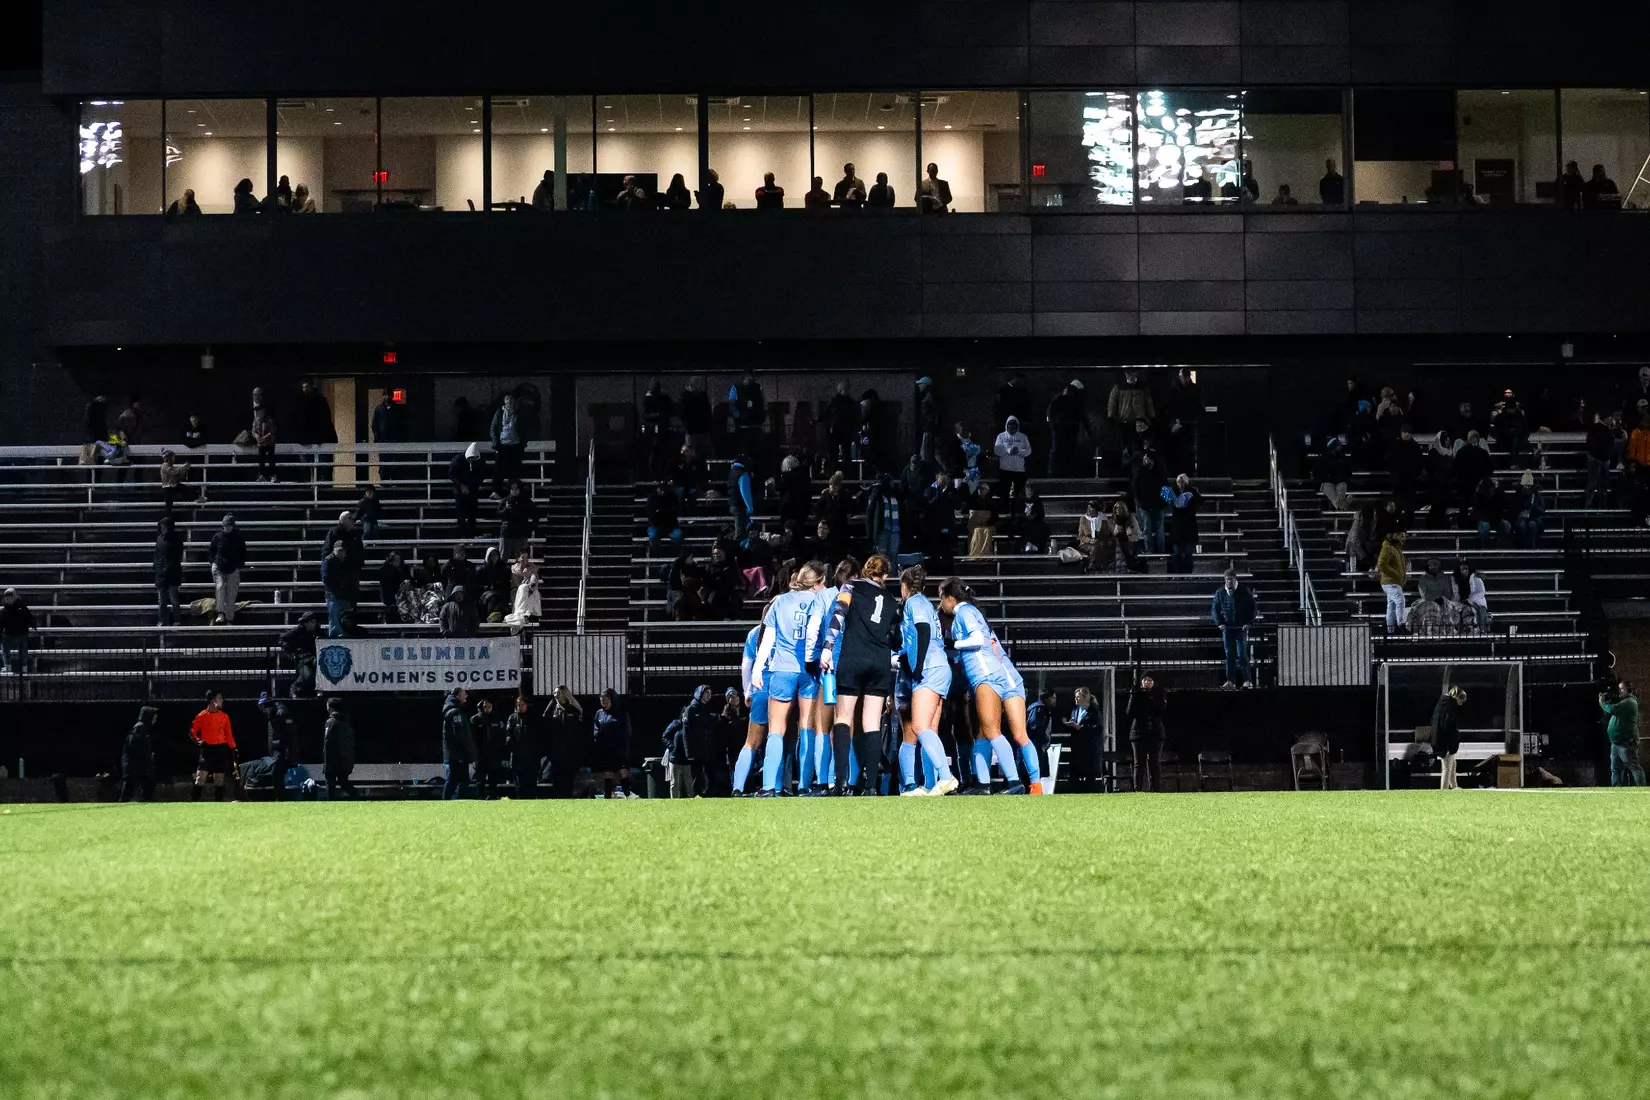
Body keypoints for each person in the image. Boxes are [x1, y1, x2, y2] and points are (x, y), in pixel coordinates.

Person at [940, 578, 1040, 795]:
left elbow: (976, 640)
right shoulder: (973, 613)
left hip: (987, 675)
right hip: (999, 676)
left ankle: (1014, 782)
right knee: (985, 732)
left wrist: (951, 644)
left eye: (942, 598)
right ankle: (985, 784)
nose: (941, 604)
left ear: (950, 597)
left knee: (993, 731)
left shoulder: (964, 613)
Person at [748, 563, 827, 795]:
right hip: (807, 670)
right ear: (816, 582)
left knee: (776, 728)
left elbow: (767, 640)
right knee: (806, 727)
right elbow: (814, 632)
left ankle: (769, 786)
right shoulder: (817, 602)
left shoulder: (779, 602)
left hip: (781, 669)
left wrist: (757, 670)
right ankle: (804, 785)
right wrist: (812, 660)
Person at [666, 685, 717, 797]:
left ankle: (704, 795)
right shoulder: (691, 710)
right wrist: (688, 751)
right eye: (706, 693)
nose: (709, 695)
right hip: (695, 751)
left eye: (710, 693)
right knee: (695, 776)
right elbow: (686, 733)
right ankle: (696, 795)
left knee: (708, 776)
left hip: (706, 750)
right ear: (700, 693)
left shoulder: (707, 709)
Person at [1210, 568, 1257, 688]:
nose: (1229, 582)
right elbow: (1214, 610)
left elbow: (1253, 608)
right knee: (1229, 655)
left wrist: (1249, 623)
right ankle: (1230, 681)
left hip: (1241, 627)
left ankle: (1247, 680)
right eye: (1227, 579)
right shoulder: (1220, 592)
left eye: (1230, 579)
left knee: (1242, 654)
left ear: (1235, 579)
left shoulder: (1244, 591)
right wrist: (1219, 623)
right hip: (1228, 628)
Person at [189, 690, 237, 801]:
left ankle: (219, 804)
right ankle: (193, 804)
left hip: (221, 749)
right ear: (213, 701)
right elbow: (192, 731)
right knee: (200, 777)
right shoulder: (202, 716)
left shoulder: (224, 717)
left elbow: (229, 735)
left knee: (219, 778)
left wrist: (234, 748)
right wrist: (198, 741)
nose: (222, 701)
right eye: (219, 699)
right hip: (207, 749)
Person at [1126, 673, 1166, 791]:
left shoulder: (1159, 693)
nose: (1147, 682)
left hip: (1155, 733)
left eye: (1150, 680)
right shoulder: (1137, 694)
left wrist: (1150, 697)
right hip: (1138, 733)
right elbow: (1130, 712)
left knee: (1155, 763)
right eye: (1145, 680)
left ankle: (1156, 788)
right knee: (1139, 763)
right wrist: (1134, 695)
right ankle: (1138, 789)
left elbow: (1160, 709)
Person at [1600, 681, 1644, 786]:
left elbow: (1611, 709)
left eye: (1622, 689)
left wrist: (1601, 702)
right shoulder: (1624, 702)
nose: (1619, 691)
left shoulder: (1629, 702)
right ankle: (1617, 792)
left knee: (1633, 767)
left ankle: (1643, 790)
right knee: (1615, 769)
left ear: (1629, 690)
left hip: (1626, 742)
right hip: (1616, 743)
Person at [590, 689, 633, 798]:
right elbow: (596, 728)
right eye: (601, 700)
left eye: (606, 700)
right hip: (605, 747)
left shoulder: (621, 713)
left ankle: (628, 792)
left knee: (622, 771)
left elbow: (627, 732)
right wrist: (597, 741)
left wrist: (625, 749)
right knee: (607, 772)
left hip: (619, 747)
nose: (604, 702)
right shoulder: (599, 713)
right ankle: (608, 795)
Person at [1061, 687, 1104, 793]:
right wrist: (1067, 724)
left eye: (1078, 697)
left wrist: (1082, 727)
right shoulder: (1075, 711)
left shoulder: (1094, 711)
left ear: (1085, 698)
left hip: (1089, 748)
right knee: (1075, 773)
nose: (1075, 699)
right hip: (1077, 747)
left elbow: (1098, 728)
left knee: (1089, 775)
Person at [1045, 379, 1091, 477]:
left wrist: (1052, 425)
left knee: (1058, 451)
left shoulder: (1061, 396)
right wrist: (1089, 432)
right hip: (1068, 428)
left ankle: (1054, 473)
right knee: (1065, 451)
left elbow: (1050, 411)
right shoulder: (1076, 399)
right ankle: (1063, 473)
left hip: (1062, 428)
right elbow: (1083, 416)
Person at [257, 690, 296, 801]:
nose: (263, 710)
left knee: (276, 774)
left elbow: (291, 734)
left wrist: (289, 751)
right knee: (277, 776)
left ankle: (281, 799)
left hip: (283, 751)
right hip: (277, 752)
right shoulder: (272, 716)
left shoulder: (281, 714)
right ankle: (281, 798)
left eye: (264, 707)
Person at [208, 514, 246, 625]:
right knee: (219, 588)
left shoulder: (238, 537)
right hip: (219, 567)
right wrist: (212, 563)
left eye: (229, 526)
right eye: (225, 526)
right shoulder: (217, 537)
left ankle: (229, 617)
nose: (227, 528)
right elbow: (211, 550)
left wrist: (239, 564)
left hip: (233, 568)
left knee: (231, 594)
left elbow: (243, 552)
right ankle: (220, 613)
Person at [489, 393, 526, 497]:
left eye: (511, 400)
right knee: (498, 470)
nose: (509, 402)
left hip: (516, 445)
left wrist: (524, 442)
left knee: (514, 471)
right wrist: (496, 442)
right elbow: (493, 428)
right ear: (504, 401)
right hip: (502, 445)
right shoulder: (499, 413)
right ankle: (496, 491)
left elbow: (525, 427)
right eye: (507, 399)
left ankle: (512, 493)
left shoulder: (519, 413)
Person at [441, 687, 476, 799]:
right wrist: (467, 752)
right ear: (457, 696)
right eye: (464, 694)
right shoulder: (455, 712)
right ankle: (447, 801)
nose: (466, 696)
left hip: (457, 754)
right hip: (457, 754)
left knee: (461, 780)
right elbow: (460, 735)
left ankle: (459, 801)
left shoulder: (455, 710)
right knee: (455, 780)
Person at [503, 694, 540, 797]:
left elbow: (538, 737)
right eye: (518, 705)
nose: (521, 707)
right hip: (517, 757)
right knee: (519, 785)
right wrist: (514, 748)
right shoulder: (512, 718)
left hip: (531, 758)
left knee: (531, 785)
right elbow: (508, 735)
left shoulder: (533, 718)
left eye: (523, 705)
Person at [322, 539, 362, 638]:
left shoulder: (348, 562)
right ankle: (334, 637)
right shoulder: (328, 561)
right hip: (333, 595)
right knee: (334, 618)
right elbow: (326, 579)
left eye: (342, 550)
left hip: (346, 595)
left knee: (346, 618)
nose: (341, 552)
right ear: (334, 550)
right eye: (339, 550)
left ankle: (346, 635)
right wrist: (337, 591)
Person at [120, 706, 158, 802]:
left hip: (138, 763)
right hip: (134, 763)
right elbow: (134, 745)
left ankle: (143, 801)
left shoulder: (143, 728)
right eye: (154, 716)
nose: (155, 719)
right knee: (130, 785)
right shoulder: (139, 728)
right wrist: (146, 755)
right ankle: (124, 802)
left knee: (146, 782)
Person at [1165, 474, 1201, 574]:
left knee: (1189, 553)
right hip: (1177, 527)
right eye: (1178, 482)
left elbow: (1199, 502)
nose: (1180, 484)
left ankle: (1188, 574)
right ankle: (1178, 574)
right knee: (1177, 553)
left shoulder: (1192, 492)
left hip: (1189, 527)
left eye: (1182, 482)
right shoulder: (1174, 492)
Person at [1431, 684, 1465, 790]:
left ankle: (1454, 787)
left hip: (1438, 739)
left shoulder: (1442, 704)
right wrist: (1452, 743)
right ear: (1457, 698)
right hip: (1445, 741)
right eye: (1461, 701)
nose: (1461, 704)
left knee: (1452, 764)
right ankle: (1444, 790)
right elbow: (1449, 726)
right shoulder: (1450, 707)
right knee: (1447, 767)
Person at [153, 517, 185, 627]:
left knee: (174, 599)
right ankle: (162, 620)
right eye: (161, 527)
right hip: (161, 575)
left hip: (173, 574)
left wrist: (166, 568)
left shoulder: (177, 540)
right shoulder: (159, 539)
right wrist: (157, 568)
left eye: (164, 527)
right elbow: (156, 555)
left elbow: (177, 557)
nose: (162, 529)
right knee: (161, 600)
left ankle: (177, 620)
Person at [449, 442, 485, 537]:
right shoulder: (457, 460)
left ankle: (471, 534)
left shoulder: (480, 462)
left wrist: (475, 484)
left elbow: (482, 474)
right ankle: (462, 535)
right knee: (461, 514)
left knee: (472, 514)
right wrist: (461, 485)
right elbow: (452, 475)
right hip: (459, 491)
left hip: (473, 490)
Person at [281, 612, 321, 697]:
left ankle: (320, 689)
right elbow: (283, 639)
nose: (310, 624)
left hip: (315, 657)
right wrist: (291, 651)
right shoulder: (297, 631)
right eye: (307, 622)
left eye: (312, 622)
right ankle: (294, 688)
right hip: (302, 658)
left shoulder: (319, 631)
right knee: (307, 676)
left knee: (321, 667)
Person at [993, 416, 1031, 503]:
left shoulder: (1023, 437)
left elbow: (1029, 451)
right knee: (1004, 495)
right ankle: (1005, 512)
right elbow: (997, 450)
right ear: (1007, 425)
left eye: (1014, 425)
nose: (1012, 427)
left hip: (1019, 471)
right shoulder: (1001, 436)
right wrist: (1008, 450)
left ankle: (1019, 513)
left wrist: (1019, 451)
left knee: (1020, 496)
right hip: (1005, 471)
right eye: (1010, 425)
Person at [1377, 530, 1409, 635]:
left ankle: (1390, 630)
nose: (1403, 538)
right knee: (1400, 600)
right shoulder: (1388, 547)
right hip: (1390, 582)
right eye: (1401, 535)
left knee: (1391, 606)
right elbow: (1381, 564)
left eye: (1404, 536)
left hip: (1394, 582)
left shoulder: (1397, 549)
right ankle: (1401, 623)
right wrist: (1396, 574)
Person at [498, 479, 537, 559]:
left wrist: (528, 529)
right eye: (512, 489)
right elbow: (498, 515)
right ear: (509, 489)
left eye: (517, 488)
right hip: (507, 534)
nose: (514, 491)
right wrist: (505, 509)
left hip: (521, 534)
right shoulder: (505, 501)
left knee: (521, 559)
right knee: (503, 557)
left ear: (520, 489)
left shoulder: (527, 502)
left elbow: (535, 517)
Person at [1585, 411, 1617, 510]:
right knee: (1593, 484)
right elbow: (1591, 445)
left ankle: (1602, 506)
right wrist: (1598, 457)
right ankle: (1588, 506)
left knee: (1603, 485)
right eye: (1610, 417)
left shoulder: (1610, 430)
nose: (1612, 419)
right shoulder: (1595, 428)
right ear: (1605, 418)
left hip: (1605, 461)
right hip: (1596, 461)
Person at [0, 588, 32, 675]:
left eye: (11, 596)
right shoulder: (3, 611)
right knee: (4, 645)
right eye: (7, 597)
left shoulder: (22, 608)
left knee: (23, 648)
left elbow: (29, 618)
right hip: (9, 635)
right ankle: (8, 665)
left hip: (21, 634)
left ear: (15, 597)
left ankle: (24, 667)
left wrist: (33, 624)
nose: (9, 598)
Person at [297, 379, 337, 447]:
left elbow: (325, 418)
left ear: (312, 386)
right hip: (314, 438)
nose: (305, 389)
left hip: (317, 437)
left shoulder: (318, 400)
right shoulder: (303, 401)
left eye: (306, 386)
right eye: (303, 387)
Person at [506, 555, 541, 627]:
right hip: (516, 591)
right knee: (523, 587)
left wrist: (531, 584)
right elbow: (516, 583)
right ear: (518, 558)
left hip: (529, 590)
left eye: (526, 557)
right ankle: (523, 614)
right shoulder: (514, 568)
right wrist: (525, 581)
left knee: (535, 592)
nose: (525, 559)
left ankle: (527, 615)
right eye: (522, 557)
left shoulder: (532, 567)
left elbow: (534, 579)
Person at [250, 392, 278, 481]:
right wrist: (257, 436)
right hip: (260, 444)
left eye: (260, 412)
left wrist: (264, 438)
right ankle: (261, 475)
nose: (258, 414)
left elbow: (273, 431)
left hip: (269, 443)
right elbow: (253, 430)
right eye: (257, 412)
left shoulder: (269, 420)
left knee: (271, 460)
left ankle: (273, 475)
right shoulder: (256, 421)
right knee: (261, 460)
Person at [914, 376, 939, 464]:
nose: (919, 386)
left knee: (925, 452)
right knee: (926, 451)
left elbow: (936, 412)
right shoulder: (928, 397)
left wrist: (932, 426)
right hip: (927, 427)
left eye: (920, 384)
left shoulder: (929, 397)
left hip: (928, 428)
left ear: (925, 385)